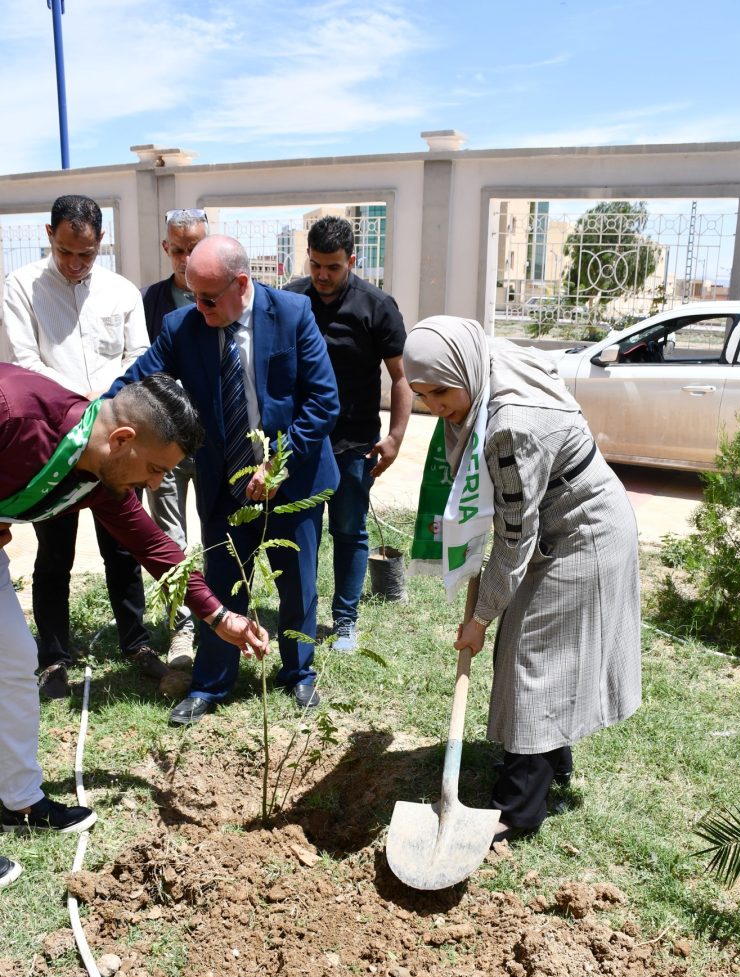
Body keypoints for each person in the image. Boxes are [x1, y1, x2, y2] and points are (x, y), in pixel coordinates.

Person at [0, 365, 268, 889]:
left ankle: (19, 800)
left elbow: (154, 546)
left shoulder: (93, 469)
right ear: (122, 438)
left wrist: (218, 616)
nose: (155, 484)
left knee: (12, 664)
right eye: (153, 469)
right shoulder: (12, 412)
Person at [403, 316, 641, 842]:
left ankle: (518, 809)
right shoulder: (481, 363)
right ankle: (552, 760)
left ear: (463, 369)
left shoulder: (511, 428)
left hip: (583, 534)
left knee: (529, 655)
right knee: (535, 649)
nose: (437, 407)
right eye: (423, 395)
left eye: (443, 392)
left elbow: (515, 538)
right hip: (559, 519)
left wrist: (482, 616)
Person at [108, 234, 339, 723]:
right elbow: (138, 380)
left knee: (297, 580)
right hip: (223, 482)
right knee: (222, 582)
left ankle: (299, 673)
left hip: (290, 482)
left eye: (209, 298)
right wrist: (92, 418)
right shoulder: (182, 326)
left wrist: (277, 464)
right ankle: (212, 683)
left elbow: (321, 402)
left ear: (241, 283)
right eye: (193, 294)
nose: (200, 306)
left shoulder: (293, 314)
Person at [2, 193, 164, 701]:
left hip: (116, 442)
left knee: (124, 545)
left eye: (87, 254)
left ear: (101, 244)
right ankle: (53, 657)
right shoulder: (21, 287)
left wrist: (108, 405)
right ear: (49, 235)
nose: (76, 264)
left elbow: (139, 356)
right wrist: (83, 406)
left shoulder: (120, 292)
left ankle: (135, 643)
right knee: (55, 554)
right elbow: (24, 362)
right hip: (55, 444)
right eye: (67, 252)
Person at [283, 215, 410, 651]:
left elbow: (401, 377)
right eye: (316, 265)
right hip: (302, 442)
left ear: (351, 260)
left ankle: (345, 620)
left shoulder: (377, 307)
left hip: (354, 444)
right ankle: (300, 614)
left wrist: (395, 436)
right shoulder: (291, 299)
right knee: (303, 533)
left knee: (349, 531)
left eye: (333, 267)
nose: (321, 275)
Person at [141, 209, 209, 674]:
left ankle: (220, 617)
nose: (186, 258)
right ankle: (182, 627)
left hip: (212, 443)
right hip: (162, 444)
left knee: (221, 528)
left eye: (194, 248)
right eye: (178, 249)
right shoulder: (150, 301)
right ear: (166, 248)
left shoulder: (221, 294)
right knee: (169, 535)